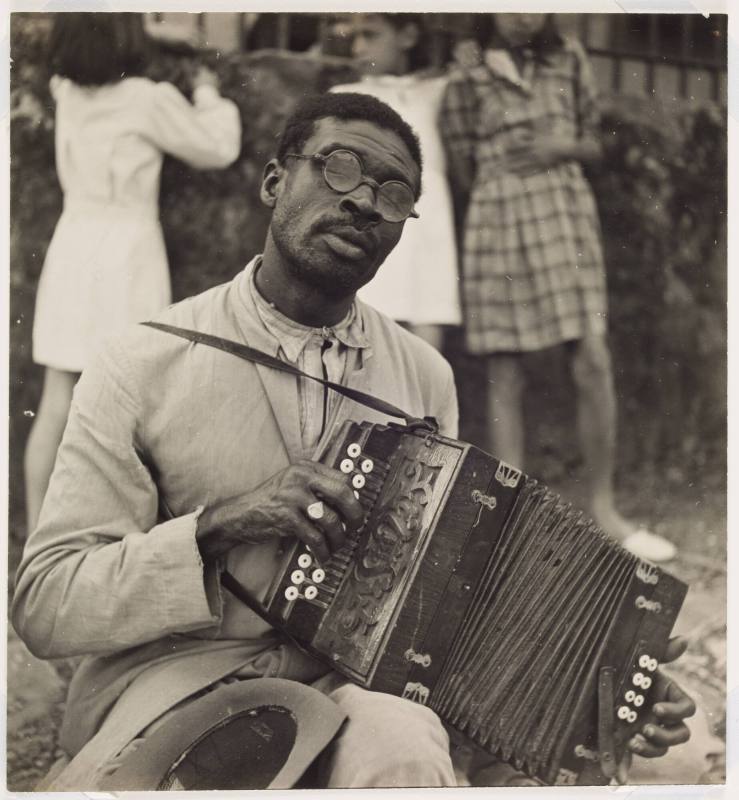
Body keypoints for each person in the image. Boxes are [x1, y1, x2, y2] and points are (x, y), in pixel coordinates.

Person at [12, 92, 693, 790]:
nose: (364, 201)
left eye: (393, 192)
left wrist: (603, 680)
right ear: (275, 181)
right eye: (338, 168)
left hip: (356, 684)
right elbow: (45, 603)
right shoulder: (141, 362)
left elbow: (445, 609)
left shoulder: (423, 374)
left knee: (404, 748)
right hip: (178, 682)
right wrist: (217, 528)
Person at [439, 13, 676, 562]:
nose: (524, 13)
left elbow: (597, 140)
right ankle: (512, 522)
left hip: (565, 214)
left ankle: (605, 509)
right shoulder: (464, 78)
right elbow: (461, 166)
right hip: (497, 217)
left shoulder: (568, 57)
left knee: (592, 356)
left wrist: (559, 149)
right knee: (505, 368)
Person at [23, 12, 242, 533]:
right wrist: (209, 92)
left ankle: (37, 536)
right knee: (131, 395)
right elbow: (218, 148)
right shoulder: (146, 98)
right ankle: (117, 531)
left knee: (58, 396)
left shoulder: (66, 91)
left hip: (74, 244)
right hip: (126, 254)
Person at [330, 13, 461, 351]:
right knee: (369, 311)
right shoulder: (346, 96)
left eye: (371, 35)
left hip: (426, 216)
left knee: (427, 315)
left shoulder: (440, 91)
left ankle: (421, 403)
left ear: (407, 36)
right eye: (354, 36)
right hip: (373, 213)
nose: (358, 47)